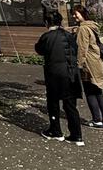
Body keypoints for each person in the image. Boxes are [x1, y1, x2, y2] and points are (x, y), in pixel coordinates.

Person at [34, 11, 84, 145]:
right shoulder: (69, 35)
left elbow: (39, 49)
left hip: (55, 74)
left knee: (53, 103)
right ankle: (76, 135)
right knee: (70, 105)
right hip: (72, 73)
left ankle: (55, 131)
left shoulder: (47, 37)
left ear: (47, 23)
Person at [73, 5, 103, 129]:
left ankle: (97, 120)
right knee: (98, 92)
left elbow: (82, 49)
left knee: (90, 92)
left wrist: (78, 65)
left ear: (82, 14)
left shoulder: (83, 29)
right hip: (97, 62)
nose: (74, 16)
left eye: (76, 14)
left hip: (88, 64)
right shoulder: (92, 27)